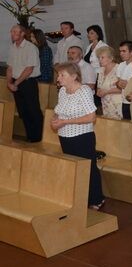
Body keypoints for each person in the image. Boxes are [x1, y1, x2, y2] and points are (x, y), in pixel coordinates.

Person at [51, 62, 105, 209]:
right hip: (65, 136)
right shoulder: (63, 91)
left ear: (74, 76)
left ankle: (96, 198)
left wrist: (65, 122)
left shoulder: (84, 91)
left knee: (88, 168)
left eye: (62, 75)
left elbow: (91, 117)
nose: (58, 78)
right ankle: (79, 198)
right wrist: (55, 120)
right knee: (73, 167)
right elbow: (59, 111)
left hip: (82, 137)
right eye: (58, 75)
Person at [7, 25, 43, 142]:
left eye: (15, 31)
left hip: (28, 82)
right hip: (16, 82)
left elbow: (29, 69)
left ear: (22, 33)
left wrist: (15, 83)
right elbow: (10, 68)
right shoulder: (12, 47)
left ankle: (38, 139)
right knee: (23, 111)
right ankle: (30, 137)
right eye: (11, 31)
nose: (12, 33)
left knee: (33, 110)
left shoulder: (30, 48)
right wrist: (9, 82)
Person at [95, 46, 123, 119]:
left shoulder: (119, 68)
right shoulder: (101, 70)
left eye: (102, 57)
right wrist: (98, 91)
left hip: (117, 105)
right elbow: (99, 86)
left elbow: (123, 88)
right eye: (99, 58)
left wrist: (107, 92)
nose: (100, 60)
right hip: (105, 105)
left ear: (111, 58)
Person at [115, 41, 132, 120]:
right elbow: (118, 83)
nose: (121, 54)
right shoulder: (121, 65)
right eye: (120, 51)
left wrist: (128, 84)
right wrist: (119, 84)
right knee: (127, 124)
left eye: (124, 51)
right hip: (124, 101)